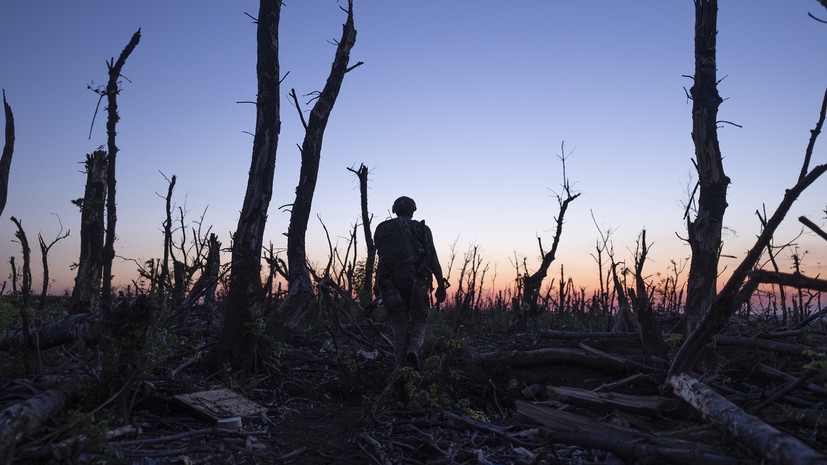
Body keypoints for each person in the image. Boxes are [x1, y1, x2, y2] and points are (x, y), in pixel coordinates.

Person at [374, 196, 446, 371]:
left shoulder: (384, 230)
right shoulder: (422, 229)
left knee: (399, 324)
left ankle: (400, 366)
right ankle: (414, 348)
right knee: (420, 319)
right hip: (416, 283)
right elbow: (433, 258)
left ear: (395, 210)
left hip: (390, 284)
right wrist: (441, 284)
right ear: (413, 210)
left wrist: (378, 289)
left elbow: (381, 262)